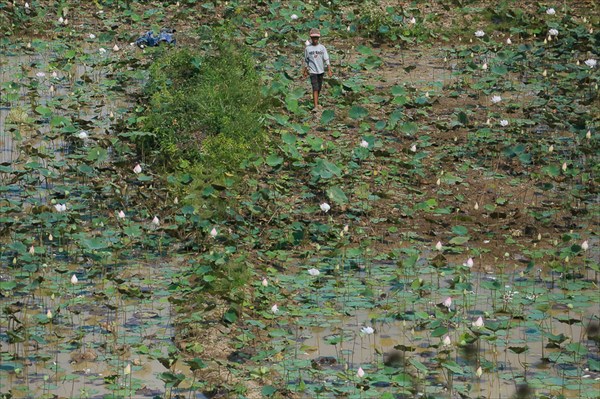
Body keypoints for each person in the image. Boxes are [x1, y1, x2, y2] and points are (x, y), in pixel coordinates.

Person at [302, 28, 332, 111]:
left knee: (319, 88)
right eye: (313, 38)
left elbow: (326, 59)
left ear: (318, 38)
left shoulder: (322, 48)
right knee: (315, 88)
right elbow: (306, 60)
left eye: (316, 38)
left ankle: (317, 102)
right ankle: (315, 106)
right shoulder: (308, 49)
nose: (315, 39)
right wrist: (305, 71)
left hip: (321, 70)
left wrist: (329, 69)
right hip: (312, 71)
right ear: (311, 38)